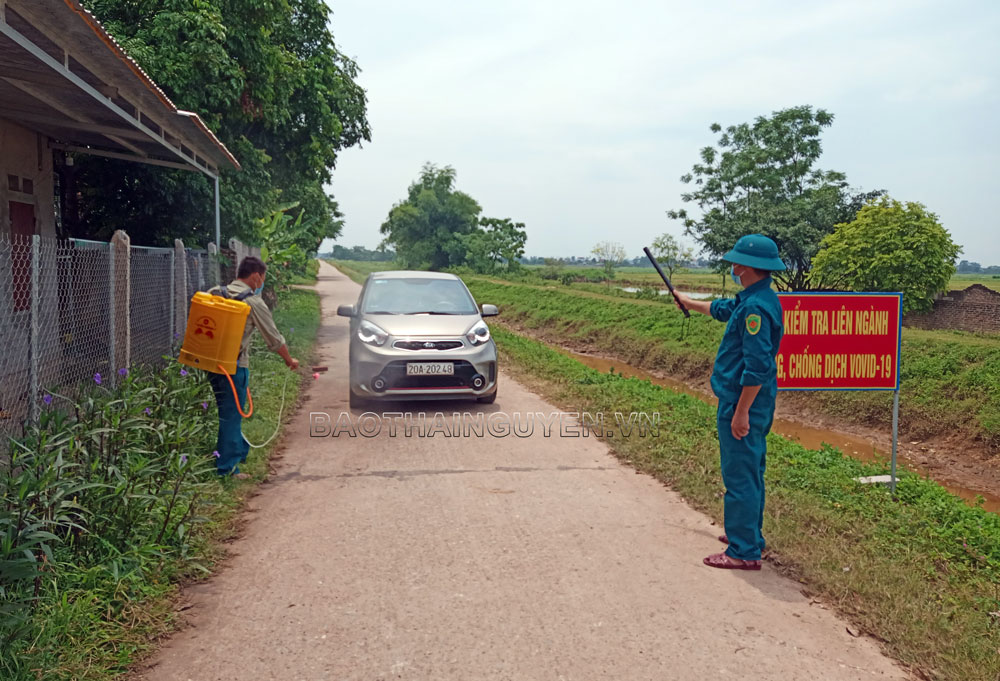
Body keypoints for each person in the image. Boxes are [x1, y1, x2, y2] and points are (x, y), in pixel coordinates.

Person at [673, 234, 785, 570]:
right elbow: (723, 309)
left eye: (737, 262)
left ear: (749, 267)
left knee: (739, 475)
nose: (733, 266)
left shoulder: (755, 309)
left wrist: (741, 413)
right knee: (751, 471)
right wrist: (689, 302)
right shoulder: (758, 297)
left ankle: (743, 551)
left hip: (744, 402)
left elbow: (757, 367)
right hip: (754, 402)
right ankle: (749, 535)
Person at [207, 256, 299, 478]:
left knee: (226, 412)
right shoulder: (253, 302)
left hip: (210, 363)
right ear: (256, 276)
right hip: (235, 367)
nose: (262, 281)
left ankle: (237, 451)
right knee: (232, 415)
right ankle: (227, 468)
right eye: (263, 277)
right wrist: (289, 360)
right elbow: (274, 338)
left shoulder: (214, 292)